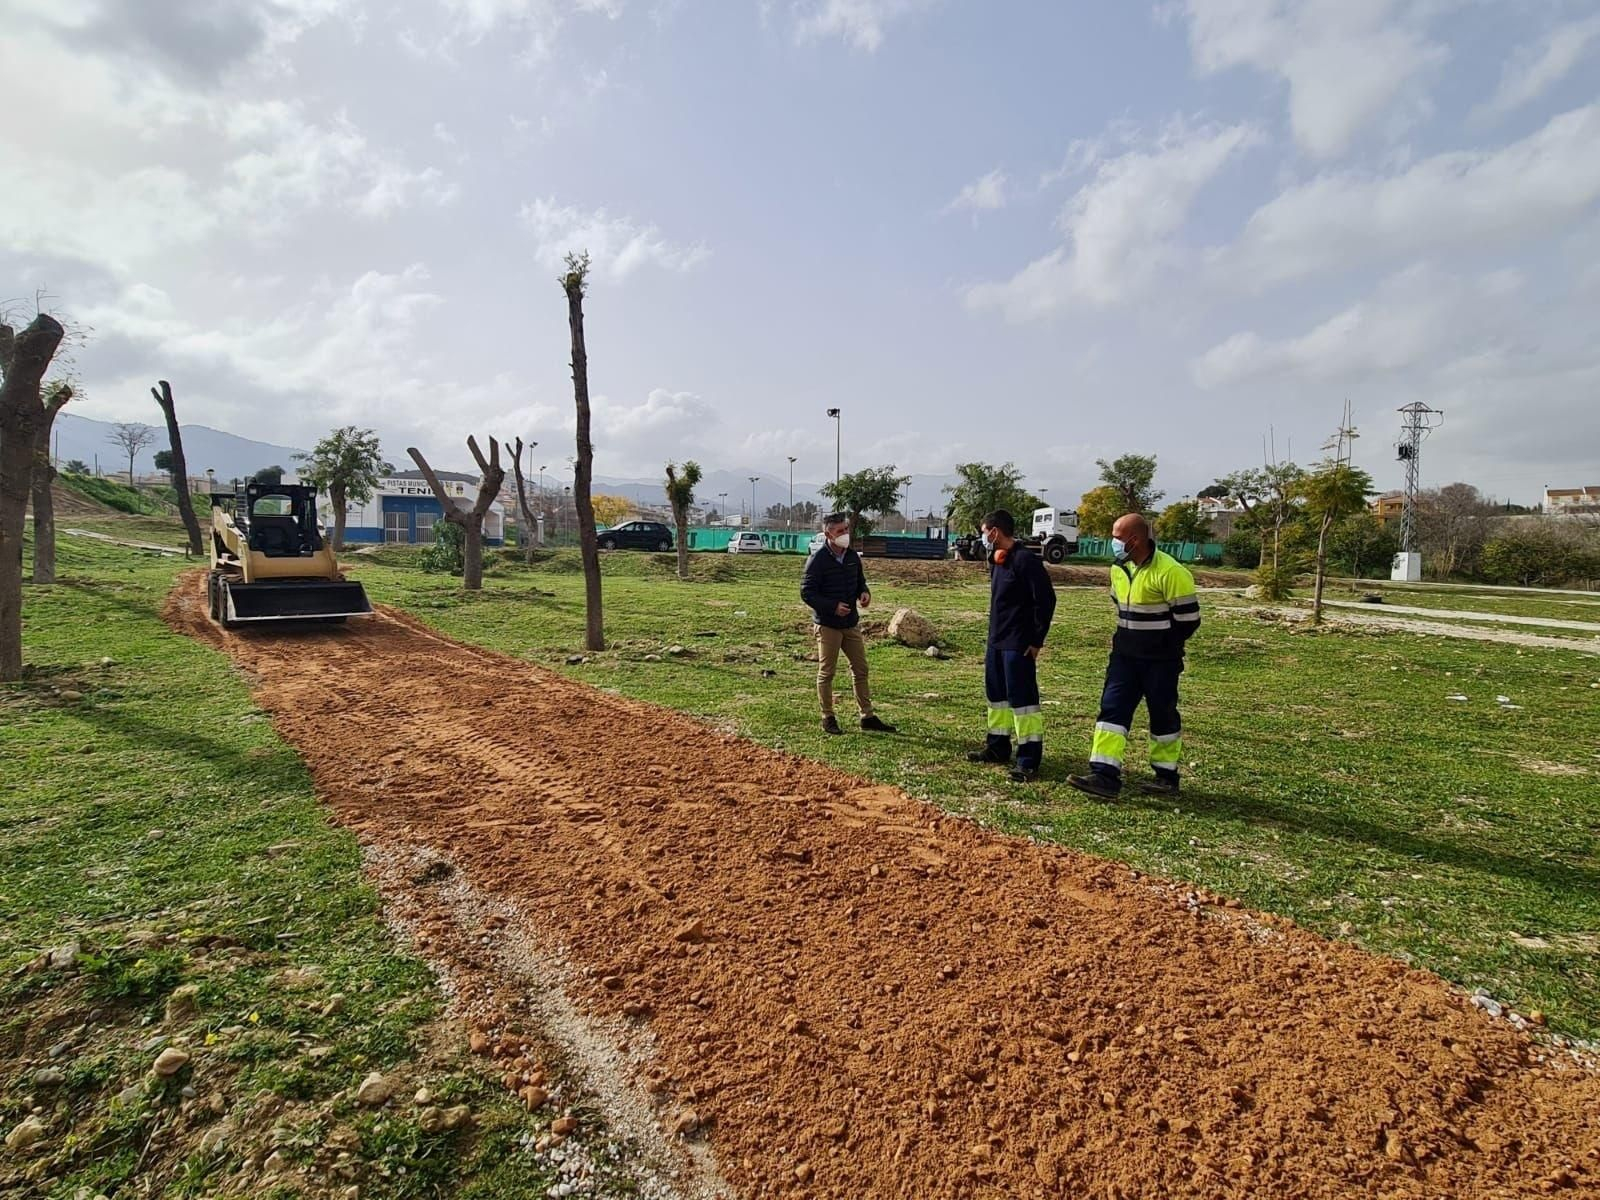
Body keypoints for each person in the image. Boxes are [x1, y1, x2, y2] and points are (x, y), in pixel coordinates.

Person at [1069, 512, 1201, 798]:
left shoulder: (1171, 571)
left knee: (1162, 715)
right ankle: (1104, 775)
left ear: (1135, 539)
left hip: (1160, 661)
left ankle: (1166, 777)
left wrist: (1162, 646)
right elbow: (1120, 605)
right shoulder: (1119, 568)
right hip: (1124, 658)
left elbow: (1189, 620)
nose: (1112, 543)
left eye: (1117, 537)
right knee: (1112, 711)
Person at [967, 509, 1056, 783]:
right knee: (997, 699)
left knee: (1023, 703)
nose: (983, 539)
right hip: (996, 640)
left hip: (1018, 643)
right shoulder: (997, 560)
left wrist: (1036, 640)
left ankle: (1028, 759)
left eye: (984, 533)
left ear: (995, 531)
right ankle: (998, 747)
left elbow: (1046, 600)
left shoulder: (1026, 560)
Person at [800, 513, 896, 735]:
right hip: (828, 625)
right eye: (839, 531)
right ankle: (828, 716)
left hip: (851, 623)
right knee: (827, 672)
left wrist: (864, 593)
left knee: (861, 669)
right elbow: (807, 593)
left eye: (846, 529)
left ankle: (867, 716)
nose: (845, 534)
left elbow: (859, 581)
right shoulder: (818, 560)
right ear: (828, 534)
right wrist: (832, 606)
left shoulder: (852, 556)